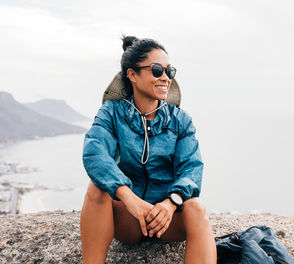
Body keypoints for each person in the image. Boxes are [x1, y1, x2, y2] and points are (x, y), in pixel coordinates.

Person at [80, 36, 217, 264]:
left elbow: (191, 169)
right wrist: (128, 197)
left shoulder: (180, 121)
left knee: (197, 209)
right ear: (132, 75)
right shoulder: (111, 113)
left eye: (169, 71)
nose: (165, 77)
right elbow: (95, 153)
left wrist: (171, 202)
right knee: (97, 189)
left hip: (167, 220)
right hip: (129, 220)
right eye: (156, 70)